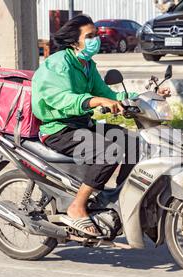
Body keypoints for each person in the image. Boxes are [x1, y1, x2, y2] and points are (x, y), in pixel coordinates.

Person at [32, 15, 170, 237]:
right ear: (74, 41)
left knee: (136, 143)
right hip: (58, 129)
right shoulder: (58, 64)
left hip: (82, 124)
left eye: (96, 35)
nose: (96, 39)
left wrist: (146, 97)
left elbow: (108, 94)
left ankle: (120, 198)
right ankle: (77, 206)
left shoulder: (87, 65)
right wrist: (94, 101)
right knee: (109, 151)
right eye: (90, 36)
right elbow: (61, 99)